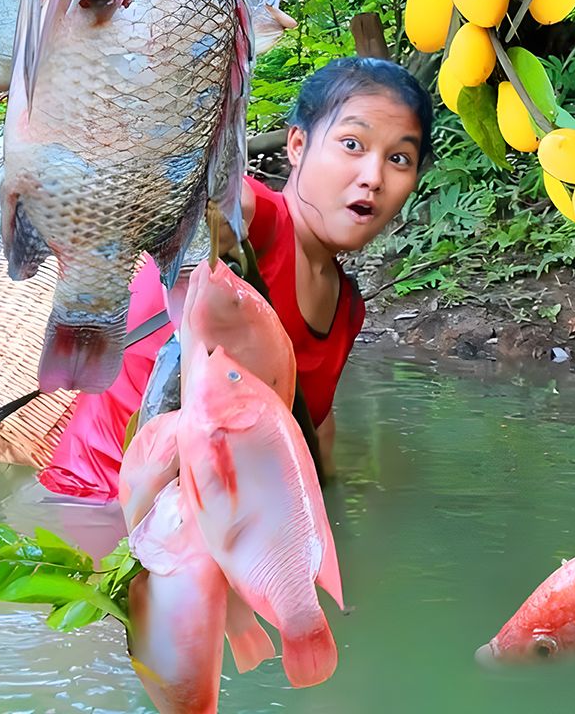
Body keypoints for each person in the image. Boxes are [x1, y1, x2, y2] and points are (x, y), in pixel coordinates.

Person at [33, 55, 432, 503]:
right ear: (298, 145)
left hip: (209, 525)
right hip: (94, 504)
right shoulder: (254, 224)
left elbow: (315, 444)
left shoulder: (347, 309)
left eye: (399, 158)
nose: (373, 178)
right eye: (352, 144)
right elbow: (213, 195)